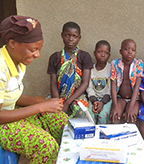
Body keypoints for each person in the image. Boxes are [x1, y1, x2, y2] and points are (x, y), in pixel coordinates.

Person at [0, 15, 68, 163]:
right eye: (33, 49)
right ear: (12, 43)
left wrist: (40, 101)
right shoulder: (1, 68)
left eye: (39, 49)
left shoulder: (18, 61)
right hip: (2, 124)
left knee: (60, 120)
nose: (37, 55)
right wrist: (40, 107)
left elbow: (12, 96)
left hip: (11, 112)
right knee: (47, 147)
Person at [47, 21, 93, 118]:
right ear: (62, 35)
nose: (70, 39)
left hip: (77, 96)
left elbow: (85, 83)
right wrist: (57, 102)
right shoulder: (55, 57)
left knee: (82, 113)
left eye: (74, 36)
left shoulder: (84, 56)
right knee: (49, 114)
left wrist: (68, 102)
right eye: (67, 35)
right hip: (58, 95)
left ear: (79, 38)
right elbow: (53, 83)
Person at [110, 39, 144, 123]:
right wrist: (115, 105)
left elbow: (137, 87)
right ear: (120, 51)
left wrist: (131, 106)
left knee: (131, 117)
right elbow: (113, 86)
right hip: (120, 97)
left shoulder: (139, 64)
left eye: (133, 50)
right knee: (115, 117)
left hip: (134, 98)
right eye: (126, 49)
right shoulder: (115, 64)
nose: (130, 52)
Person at [86, 40, 112, 124]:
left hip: (107, 99)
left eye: (106, 53)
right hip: (94, 98)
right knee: (89, 114)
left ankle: (101, 135)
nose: (102, 55)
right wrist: (95, 101)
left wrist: (102, 102)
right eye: (99, 52)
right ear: (94, 53)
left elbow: (111, 89)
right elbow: (89, 88)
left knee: (103, 114)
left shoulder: (111, 69)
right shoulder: (90, 70)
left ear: (109, 55)